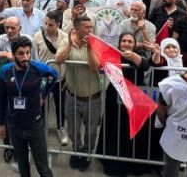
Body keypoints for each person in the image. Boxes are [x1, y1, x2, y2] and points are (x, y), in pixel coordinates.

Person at [0, 36, 58, 177]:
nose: (25, 57)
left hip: (35, 126)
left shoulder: (37, 68)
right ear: (13, 55)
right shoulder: (4, 71)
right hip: (14, 126)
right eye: (20, 53)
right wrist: (1, 124)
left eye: (27, 52)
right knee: (23, 165)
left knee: (42, 166)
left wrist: (43, 96)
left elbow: (54, 76)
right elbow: (1, 100)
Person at [96, 32, 150, 175]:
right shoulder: (114, 54)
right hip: (115, 97)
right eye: (124, 41)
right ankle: (112, 160)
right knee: (114, 127)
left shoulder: (138, 54)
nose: (126, 44)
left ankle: (131, 163)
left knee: (130, 129)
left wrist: (136, 58)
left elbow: (146, 65)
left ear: (134, 44)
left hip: (133, 98)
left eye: (129, 41)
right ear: (119, 43)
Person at [55, 15, 100, 171]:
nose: (90, 30)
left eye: (91, 27)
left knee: (91, 130)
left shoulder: (96, 43)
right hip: (72, 97)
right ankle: (77, 151)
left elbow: (95, 68)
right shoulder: (66, 42)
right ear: (77, 29)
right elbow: (58, 60)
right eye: (87, 27)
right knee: (73, 130)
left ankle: (87, 153)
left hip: (93, 98)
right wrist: (69, 44)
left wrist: (89, 48)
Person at [33, 10, 69, 147]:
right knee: (41, 105)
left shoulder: (65, 37)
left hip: (60, 78)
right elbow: (34, 57)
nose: (47, 27)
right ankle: (41, 128)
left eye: (51, 25)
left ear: (58, 24)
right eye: (45, 23)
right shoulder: (37, 36)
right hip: (42, 79)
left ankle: (60, 128)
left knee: (60, 105)